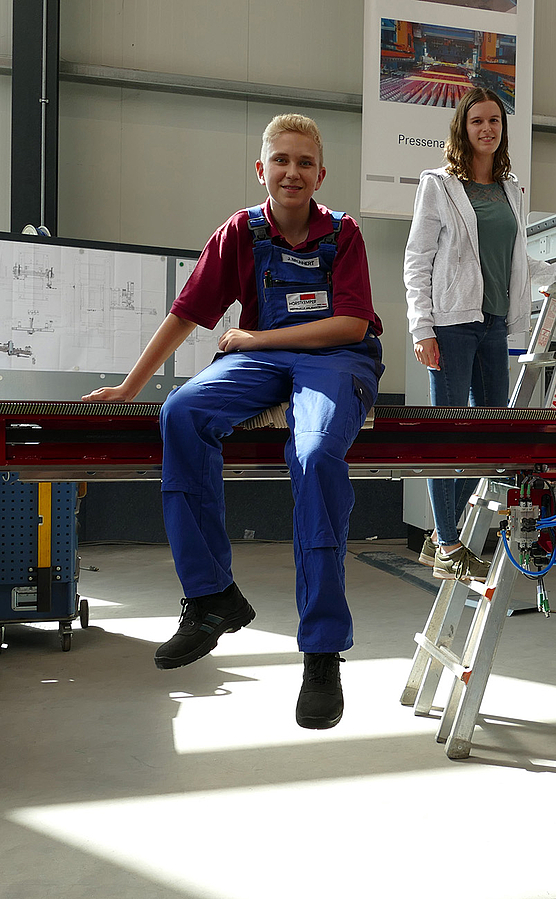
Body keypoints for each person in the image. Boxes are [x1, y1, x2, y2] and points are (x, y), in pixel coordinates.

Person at [83, 114, 384, 731]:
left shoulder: (343, 233)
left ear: (321, 174)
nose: (292, 172)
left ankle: (322, 650)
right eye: (281, 160)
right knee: (182, 412)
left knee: (315, 453)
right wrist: (131, 386)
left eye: (304, 162)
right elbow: (188, 311)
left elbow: (352, 324)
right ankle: (211, 597)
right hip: (262, 359)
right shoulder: (241, 232)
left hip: (336, 359)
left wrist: (258, 336)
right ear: (261, 169)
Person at [404, 87, 556, 583]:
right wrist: (421, 327)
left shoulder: (510, 189)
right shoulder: (439, 184)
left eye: (494, 120)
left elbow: (515, 259)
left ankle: (444, 537)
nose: (487, 129)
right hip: (451, 323)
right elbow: (417, 259)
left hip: (495, 323)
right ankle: (447, 543)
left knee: (492, 434)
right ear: (463, 127)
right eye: (477, 121)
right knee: (448, 434)